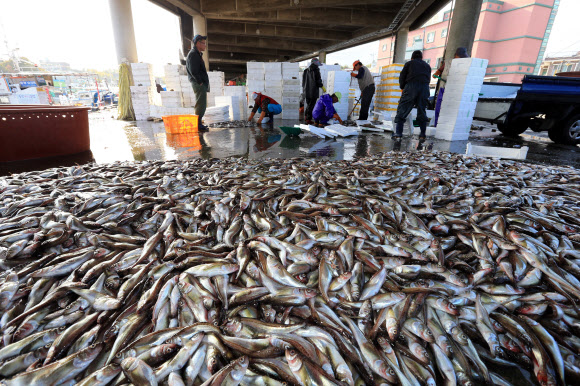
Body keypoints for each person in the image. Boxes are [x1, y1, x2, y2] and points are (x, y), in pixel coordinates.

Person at [392, 50, 431, 140]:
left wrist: (403, 87)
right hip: (424, 87)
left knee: (403, 109)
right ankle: (422, 134)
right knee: (422, 110)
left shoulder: (409, 64)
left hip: (411, 86)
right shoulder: (427, 66)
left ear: (412, 57)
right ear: (421, 58)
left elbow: (402, 77)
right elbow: (428, 79)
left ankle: (398, 133)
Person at [433, 47, 470, 126]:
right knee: (440, 107)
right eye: (459, 57)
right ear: (455, 55)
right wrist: (436, 74)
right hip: (445, 88)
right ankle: (438, 125)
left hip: (457, 90)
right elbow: (439, 70)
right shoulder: (449, 62)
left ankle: (449, 125)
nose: (461, 59)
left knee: (453, 109)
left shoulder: (467, 63)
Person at [186, 34, 210, 132]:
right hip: (198, 83)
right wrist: (200, 82)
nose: (205, 45)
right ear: (197, 43)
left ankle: (199, 123)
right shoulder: (193, 54)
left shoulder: (197, 54)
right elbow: (193, 71)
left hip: (200, 83)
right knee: (200, 103)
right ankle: (198, 124)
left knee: (202, 103)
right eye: (203, 43)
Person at [302, 58, 324, 124]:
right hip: (313, 90)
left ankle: (306, 117)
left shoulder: (305, 70)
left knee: (308, 105)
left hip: (306, 90)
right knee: (311, 105)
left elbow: (303, 82)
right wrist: (321, 86)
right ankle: (308, 119)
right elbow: (318, 80)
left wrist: (304, 90)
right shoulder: (316, 70)